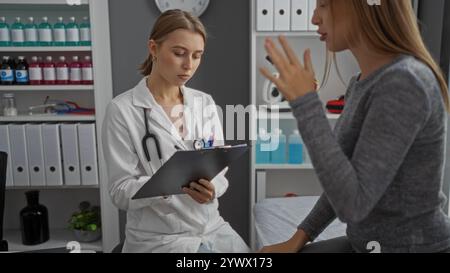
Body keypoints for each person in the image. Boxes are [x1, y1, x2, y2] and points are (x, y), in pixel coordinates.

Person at [259, 0, 450, 253]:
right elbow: (343, 182)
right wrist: (299, 239)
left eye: (324, 5)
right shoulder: (360, 84)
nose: (315, 18)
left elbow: (353, 204)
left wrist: (305, 104)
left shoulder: (404, 82)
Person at [102, 9, 249, 253]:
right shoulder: (122, 110)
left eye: (197, 56)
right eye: (179, 53)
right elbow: (119, 192)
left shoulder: (204, 103)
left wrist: (212, 190)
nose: (188, 65)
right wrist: (163, 185)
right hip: (159, 239)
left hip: (212, 228)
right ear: (154, 48)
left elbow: (220, 170)